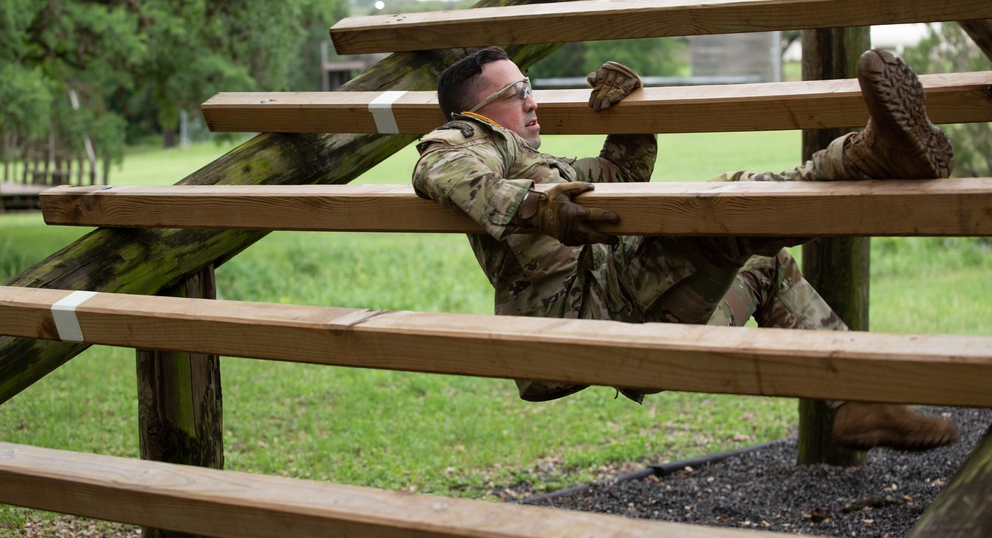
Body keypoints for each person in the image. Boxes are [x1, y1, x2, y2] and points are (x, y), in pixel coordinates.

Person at [411, 46, 959, 451]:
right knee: (721, 203)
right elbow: (437, 167)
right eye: (515, 93)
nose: (533, 101)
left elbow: (621, 174)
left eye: (529, 85)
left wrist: (629, 109)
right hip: (585, 313)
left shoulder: (541, 163)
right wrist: (539, 208)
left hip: (630, 317)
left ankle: (855, 399)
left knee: (764, 264)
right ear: (475, 112)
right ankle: (863, 159)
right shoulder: (470, 139)